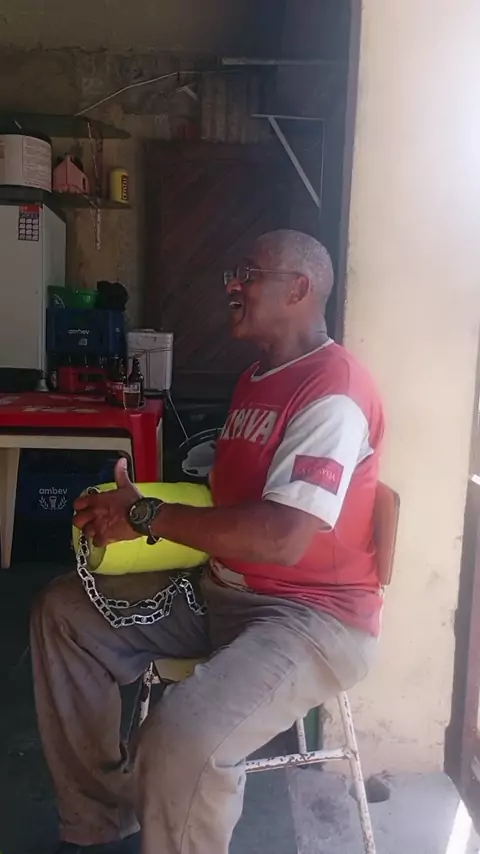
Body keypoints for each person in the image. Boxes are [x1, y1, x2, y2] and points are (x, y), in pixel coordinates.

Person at [31, 230, 384, 854]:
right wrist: (135, 515)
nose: (232, 286)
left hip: (312, 618)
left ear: (299, 289)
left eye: (249, 273)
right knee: (63, 613)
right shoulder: (256, 378)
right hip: (221, 591)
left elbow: (282, 536)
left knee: (182, 739)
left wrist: (147, 515)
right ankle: (99, 819)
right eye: (233, 273)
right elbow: (225, 501)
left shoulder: (335, 390)